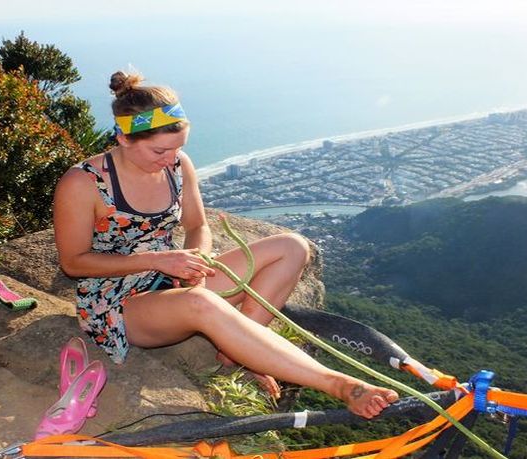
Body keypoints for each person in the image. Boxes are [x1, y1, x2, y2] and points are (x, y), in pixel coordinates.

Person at [53, 71, 398, 419]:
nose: (171, 159)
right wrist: (158, 261)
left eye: (178, 147)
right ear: (123, 138)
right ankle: (339, 385)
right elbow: (74, 262)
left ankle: (239, 350)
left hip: (173, 275)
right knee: (200, 302)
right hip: (118, 302)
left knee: (292, 247)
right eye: (159, 150)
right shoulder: (83, 183)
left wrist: (198, 260)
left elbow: (197, 225)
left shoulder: (177, 164)